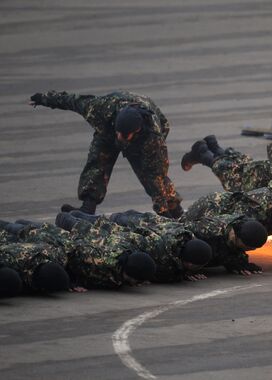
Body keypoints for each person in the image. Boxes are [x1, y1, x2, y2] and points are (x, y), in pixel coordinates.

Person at [29, 90, 182, 218]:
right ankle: (88, 206)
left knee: (150, 175)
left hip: (142, 141)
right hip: (108, 128)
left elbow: (156, 175)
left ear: (136, 131)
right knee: (97, 161)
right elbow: (73, 101)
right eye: (119, 133)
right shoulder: (100, 108)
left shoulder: (152, 139)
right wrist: (44, 98)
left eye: (124, 135)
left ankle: (175, 210)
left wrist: (162, 212)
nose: (120, 137)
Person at [185, 177, 272, 270]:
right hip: (211, 210)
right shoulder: (262, 204)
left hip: (226, 219)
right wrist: (237, 261)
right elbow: (237, 230)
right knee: (198, 249)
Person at [2, 218, 155, 290]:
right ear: (128, 273)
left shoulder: (123, 256)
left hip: (61, 240)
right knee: (17, 230)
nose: (138, 284)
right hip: (54, 241)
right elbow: (73, 256)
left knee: (24, 229)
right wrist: (71, 282)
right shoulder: (99, 261)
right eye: (137, 280)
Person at [69, 210, 212, 282]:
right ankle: (71, 217)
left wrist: (185, 273)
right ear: (189, 262)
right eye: (197, 266)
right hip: (133, 225)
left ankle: (77, 216)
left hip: (149, 224)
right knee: (103, 224)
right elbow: (161, 271)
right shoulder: (160, 250)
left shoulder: (188, 240)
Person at [111, 211, 267, 275]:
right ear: (238, 238)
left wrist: (239, 263)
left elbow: (230, 251)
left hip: (173, 230)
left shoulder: (241, 230)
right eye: (249, 247)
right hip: (169, 229)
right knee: (136, 223)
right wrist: (187, 270)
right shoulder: (208, 233)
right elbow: (183, 249)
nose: (251, 250)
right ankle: (115, 218)